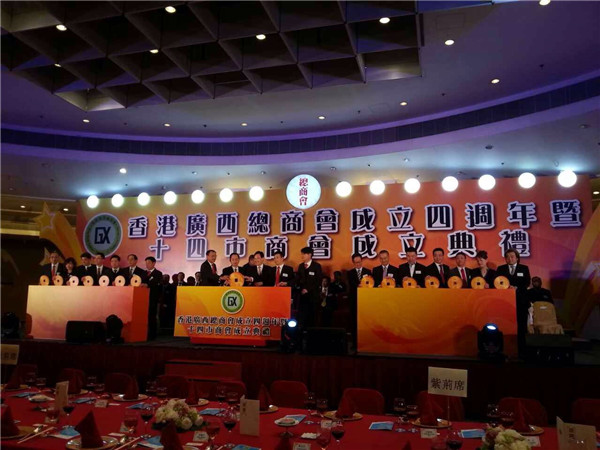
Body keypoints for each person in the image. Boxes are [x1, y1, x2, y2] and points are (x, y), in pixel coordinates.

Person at [496, 248, 531, 356]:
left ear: (517, 258)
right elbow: (497, 282)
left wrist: (516, 288)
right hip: (505, 302)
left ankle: (522, 351)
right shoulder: (501, 269)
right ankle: (505, 349)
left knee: (521, 326)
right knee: (504, 324)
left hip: (521, 301)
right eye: (507, 257)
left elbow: (526, 283)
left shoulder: (524, 268)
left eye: (512, 256)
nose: (509, 259)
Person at [296, 247, 322, 328]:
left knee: (313, 317)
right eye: (302, 254)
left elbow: (318, 281)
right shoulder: (300, 266)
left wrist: (307, 289)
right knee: (302, 317)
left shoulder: (317, 266)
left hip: (313, 296)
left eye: (304, 254)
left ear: (310, 255)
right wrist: (301, 289)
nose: (302, 256)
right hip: (302, 296)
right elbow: (298, 279)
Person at [144, 256, 163, 340]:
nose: (147, 265)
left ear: (154, 263)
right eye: (146, 263)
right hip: (143, 298)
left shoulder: (158, 273)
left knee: (152, 316)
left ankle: (152, 334)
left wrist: (147, 285)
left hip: (153, 298)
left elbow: (157, 285)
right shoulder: (143, 273)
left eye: (149, 263)